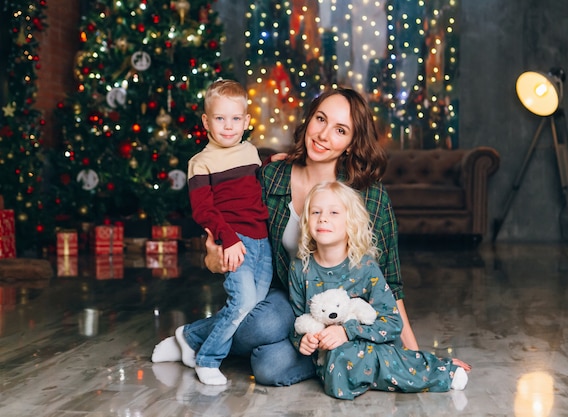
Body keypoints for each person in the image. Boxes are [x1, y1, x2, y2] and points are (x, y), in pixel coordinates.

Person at [164, 87, 419, 386]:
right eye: (320, 119)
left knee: (271, 365)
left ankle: (204, 340)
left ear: (351, 143)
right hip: (288, 299)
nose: (324, 135)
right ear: (309, 119)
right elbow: (230, 228)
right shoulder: (271, 176)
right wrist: (213, 259)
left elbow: (392, 283)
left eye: (340, 130)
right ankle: (196, 339)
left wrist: (413, 357)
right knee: (266, 335)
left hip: (343, 311)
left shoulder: (369, 196)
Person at [289, 181, 469, 400]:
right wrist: (304, 340)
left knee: (352, 360)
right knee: (338, 370)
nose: (323, 218)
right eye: (315, 212)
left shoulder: (365, 267)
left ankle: (439, 371)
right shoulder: (301, 268)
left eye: (334, 212)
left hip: (372, 347)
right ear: (307, 220)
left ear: (351, 223)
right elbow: (300, 321)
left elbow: (392, 324)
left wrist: (347, 331)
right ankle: (377, 371)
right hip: (330, 359)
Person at [152, 79, 272, 386]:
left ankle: (189, 336)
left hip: (263, 242)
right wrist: (227, 238)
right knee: (242, 301)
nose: (228, 127)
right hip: (235, 241)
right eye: (220, 118)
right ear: (206, 121)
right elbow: (203, 210)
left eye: (235, 119)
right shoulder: (201, 162)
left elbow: (252, 185)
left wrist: (274, 161)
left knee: (252, 308)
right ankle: (208, 359)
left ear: (246, 121)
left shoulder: (250, 151)